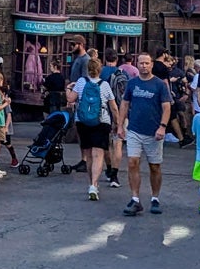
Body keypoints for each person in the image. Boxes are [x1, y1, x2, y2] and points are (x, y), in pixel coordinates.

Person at [117, 53, 172, 216]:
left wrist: (162, 127)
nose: (144, 66)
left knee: (154, 166)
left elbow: (167, 107)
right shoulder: (132, 83)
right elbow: (125, 104)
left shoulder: (159, 85)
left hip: (153, 131)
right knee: (133, 162)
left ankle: (155, 198)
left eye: (147, 63)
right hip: (134, 129)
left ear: (152, 65)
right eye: (141, 63)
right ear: (137, 64)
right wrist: (120, 125)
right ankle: (135, 199)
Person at [70, 59, 120, 201]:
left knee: (89, 155)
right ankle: (94, 185)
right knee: (99, 154)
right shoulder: (104, 85)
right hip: (101, 121)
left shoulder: (80, 82)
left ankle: (92, 183)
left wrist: (69, 88)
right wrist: (117, 123)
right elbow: (114, 107)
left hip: (83, 121)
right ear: (100, 70)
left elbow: (71, 98)